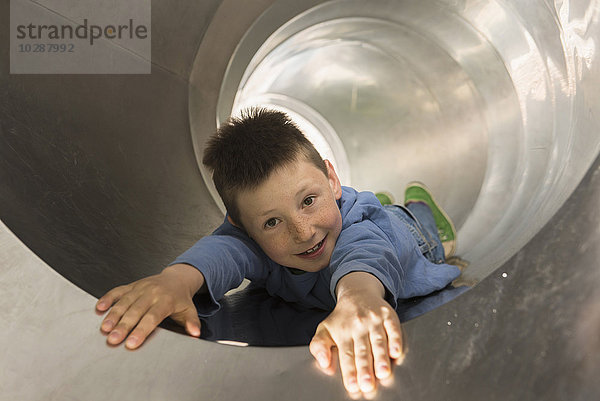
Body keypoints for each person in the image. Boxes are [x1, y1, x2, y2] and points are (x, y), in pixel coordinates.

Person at [96, 108, 463, 395]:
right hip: (336, 217)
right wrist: (175, 280)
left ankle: (419, 202)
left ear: (332, 180)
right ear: (244, 226)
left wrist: (358, 297)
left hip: (410, 239)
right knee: (327, 220)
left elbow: (365, 252)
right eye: (272, 222)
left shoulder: (361, 232)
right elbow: (224, 250)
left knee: (416, 228)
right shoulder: (249, 238)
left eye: (308, 200)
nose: (303, 233)